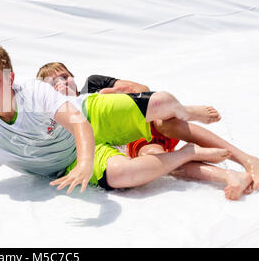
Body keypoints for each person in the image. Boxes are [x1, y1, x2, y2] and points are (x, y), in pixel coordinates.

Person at [0, 45, 234, 200]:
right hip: (69, 159)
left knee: (163, 104)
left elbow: (79, 123)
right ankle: (186, 154)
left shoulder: (34, 93)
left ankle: (194, 117)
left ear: (10, 80)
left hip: (89, 113)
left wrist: (85, 163)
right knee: (124, 177)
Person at [36, 62, 259, 200]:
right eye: (52, 83)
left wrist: (115, 94)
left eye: (64, 77)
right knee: (156, 160)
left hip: (138, 124)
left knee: (165, 123)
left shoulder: (92, 87)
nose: (61, 83)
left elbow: (143, 92)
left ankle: (246, 159)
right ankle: (232, 176)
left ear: (74, 77)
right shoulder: (56, 120)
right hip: (127, 146)